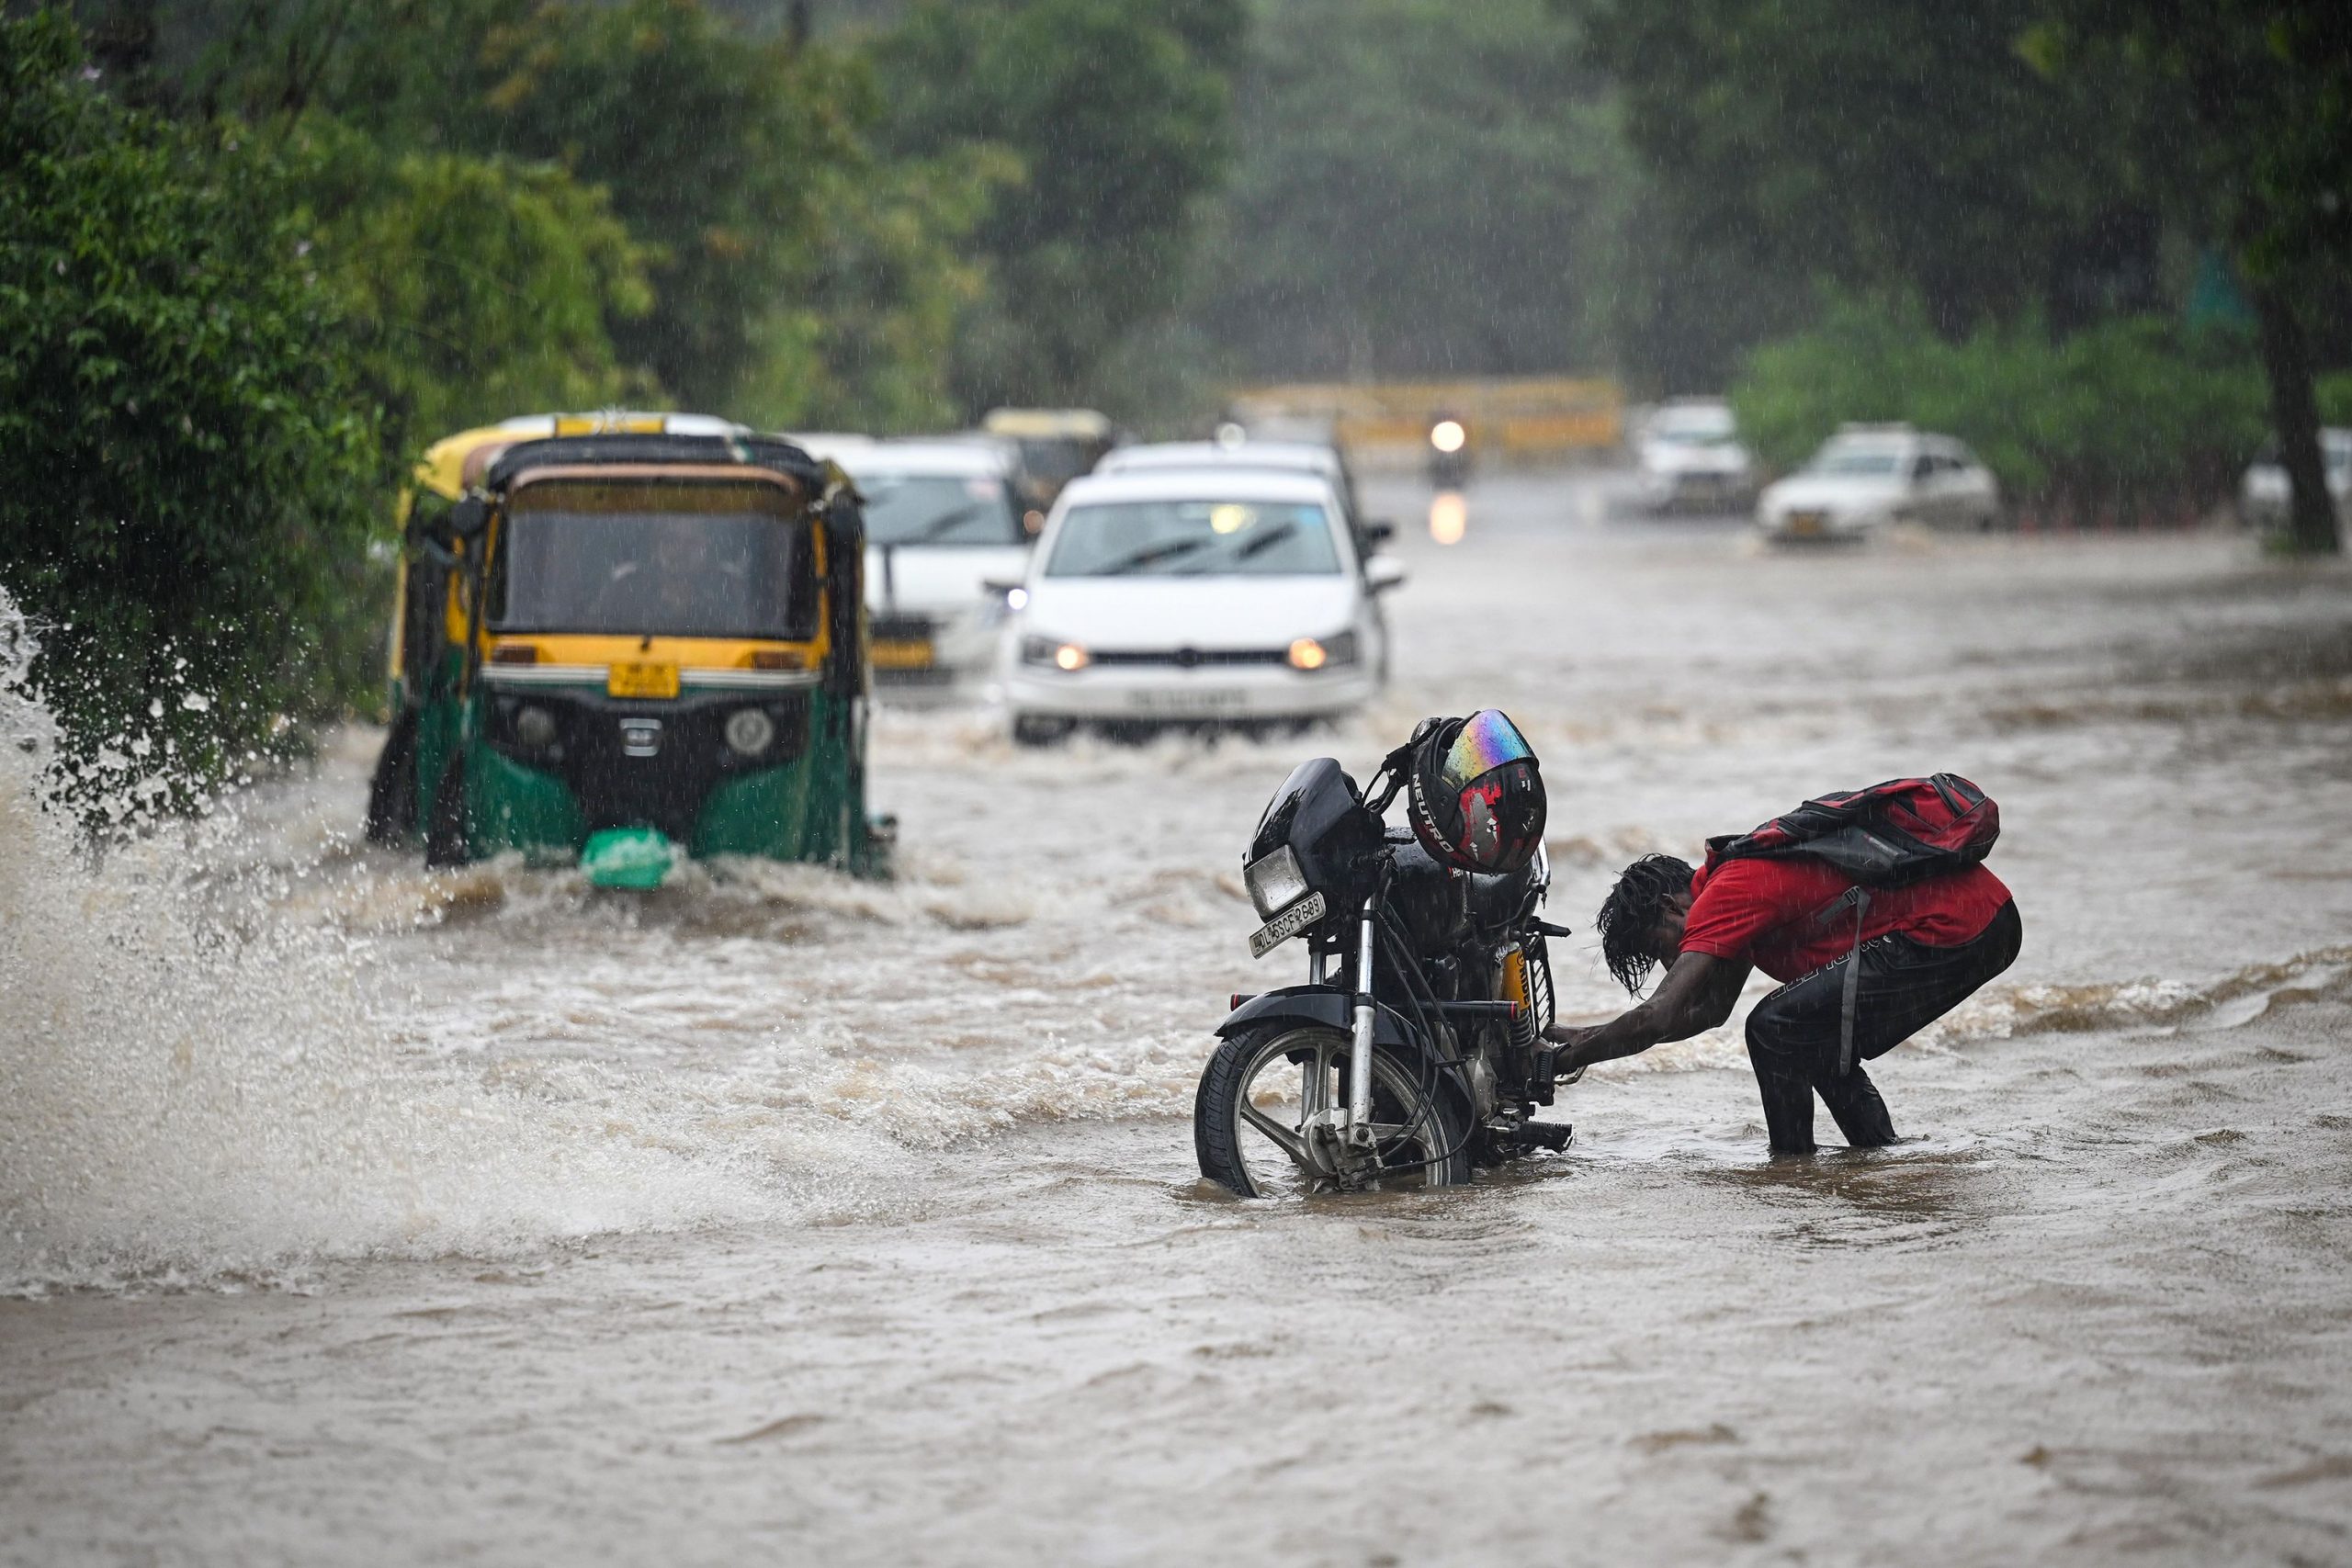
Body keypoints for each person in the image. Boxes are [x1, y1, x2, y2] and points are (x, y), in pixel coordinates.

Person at [1544, 847, 2021, 1154]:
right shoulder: (1731, 893)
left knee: (1774, 1027)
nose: (1672, 963)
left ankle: (1792, 1165)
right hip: (1986, 922)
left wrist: (1568, 1057)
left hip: (1959, 924)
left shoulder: (1723, 895)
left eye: (1659, 946)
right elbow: (1707, 1012)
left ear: (1670, 906)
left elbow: (1658, 1014)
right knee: (1802, 1031)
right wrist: (1583, 1037)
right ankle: (1879, 1154)